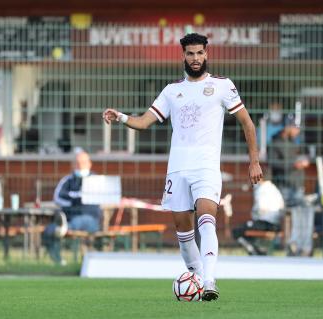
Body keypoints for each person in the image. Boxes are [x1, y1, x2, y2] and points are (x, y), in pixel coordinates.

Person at [102, 33, 262, 301]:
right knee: (183, 231)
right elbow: (143, 123)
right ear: (183, 56)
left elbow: (248, 123)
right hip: (177, 169)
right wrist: (120, 117)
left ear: (206, 54)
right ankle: (197, 280)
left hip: (206, 167)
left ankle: (210, 281)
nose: (196, 58)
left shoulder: (222, 86)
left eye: (200, 53)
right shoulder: (171, 91)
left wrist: (254, 160)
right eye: (191, 53)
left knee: (207, 219)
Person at [42, 149, 103, 265]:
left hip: (90, 218)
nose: (80, 166)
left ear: (89, 164)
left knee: (79, 220)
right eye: (78, 163)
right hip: (69, 215)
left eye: (83, 162)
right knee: (49, 230)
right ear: (73, 164)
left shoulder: (97, 180)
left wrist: (74, 198)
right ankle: (58, 261)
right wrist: (75, 200)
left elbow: (94, 199)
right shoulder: (68, 180)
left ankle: (63, 226)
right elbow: (58, 197)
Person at [268, 114, 314, 256]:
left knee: (303, 211)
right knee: (293, 212)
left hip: (297, 186)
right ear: (288, 127)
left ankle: (299, 244)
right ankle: (290, 243)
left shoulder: (295, 143)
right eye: (296, 128)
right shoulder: (275, 143)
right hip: (283, 187)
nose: (297, 132)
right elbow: (273, 163)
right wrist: (294, 164)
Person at [232, 172, 284, 255]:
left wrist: (254, 214)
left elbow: (261, 209)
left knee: (237, 231)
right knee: (247, 227)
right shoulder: (274, 188)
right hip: (275, 224)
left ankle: (254, 250)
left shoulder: (262, 189)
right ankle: (257, 249)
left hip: (265, 224)